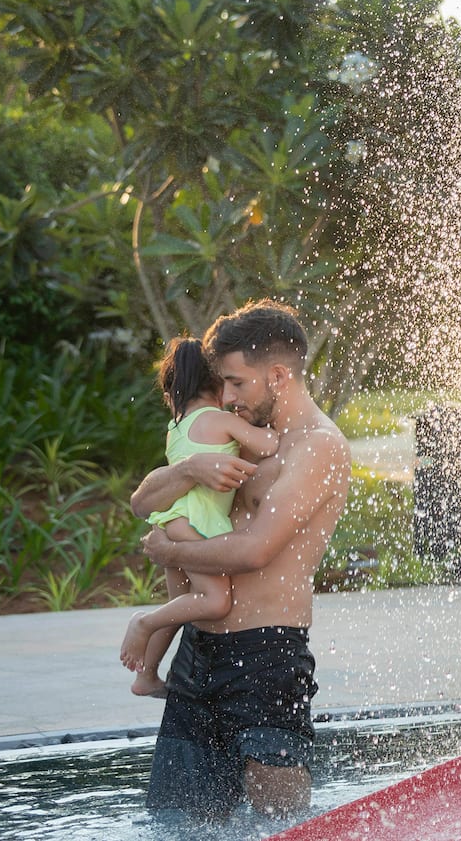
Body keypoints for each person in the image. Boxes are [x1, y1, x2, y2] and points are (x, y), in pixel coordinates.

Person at [130, 299, 351, 819]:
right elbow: (142, 501)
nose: (226, 397)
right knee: (178, 821)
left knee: (281, 825)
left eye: (237, 383)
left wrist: (169, 550)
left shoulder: (318, 447)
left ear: (277, 375)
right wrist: (190, 470)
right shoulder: (242, 435)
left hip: (265, 658)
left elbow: (255, 550)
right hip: (198, 654)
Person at [120, 337, 280, 697]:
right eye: (230, 383)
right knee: (214, 601)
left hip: (174, 519)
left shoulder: (176, 427)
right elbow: (269, 445)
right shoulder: (218, 418)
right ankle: (141, 622)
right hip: (196, 522)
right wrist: (273, 421)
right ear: (215, 382)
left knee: (179, 608)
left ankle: (146, 676)